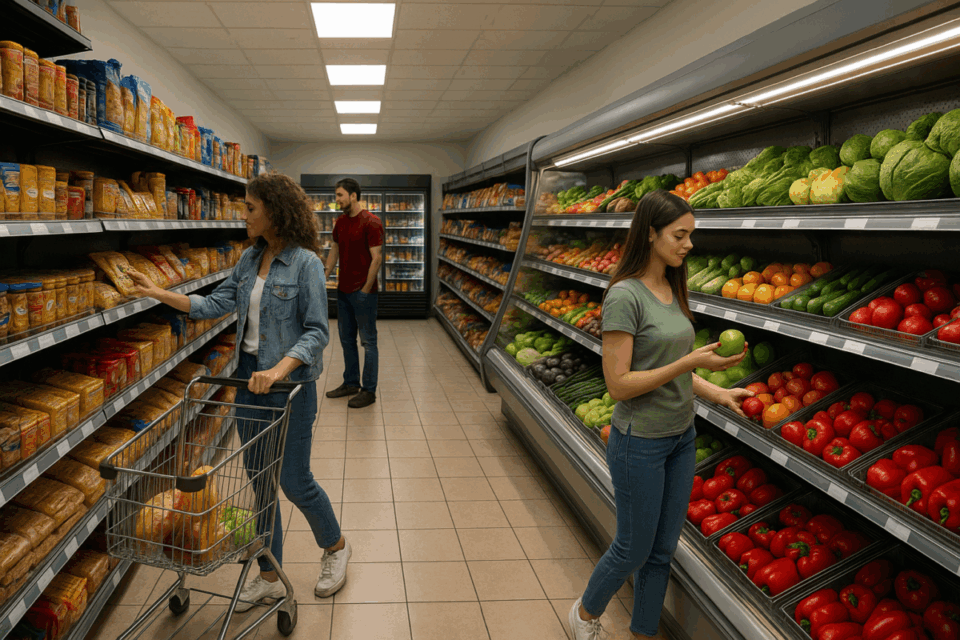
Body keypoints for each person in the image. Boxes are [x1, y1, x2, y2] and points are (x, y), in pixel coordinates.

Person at [128, 172, 351, 611]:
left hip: (290, 389)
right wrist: (159, 292)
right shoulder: (249, 261)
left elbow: (316, 332)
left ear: (275, 210)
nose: (243, 215)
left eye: (250, 208)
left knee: (294, 480)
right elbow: (214, 305)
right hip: (247, 384)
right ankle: (270, 574)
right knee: (259, 483)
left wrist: (279, 368)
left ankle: (336, 547)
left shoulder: (306, 263)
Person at [568, 191, 753, 640]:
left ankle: (644, 630)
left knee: (663, 549)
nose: (689, 244)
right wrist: (691, 364)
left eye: (691, 235)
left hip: (680, 436)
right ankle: (585, 616)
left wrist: (714, 391)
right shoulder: (624, 296)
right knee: (633, 547)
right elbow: (619, 384)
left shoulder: (672, 287)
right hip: (639, 442)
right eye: (680, 235)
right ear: (650, 234)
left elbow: (670, 367)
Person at [323, 178, 384, 409]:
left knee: (368, 342)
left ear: (353, 196)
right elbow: (335, 251)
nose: (336, 199)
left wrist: (365, 290)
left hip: (364, 292)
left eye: (340, 195)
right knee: (347, 340)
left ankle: (369, 390)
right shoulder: (340, 222)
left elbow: (377, 259)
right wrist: (324, 276)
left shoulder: (371, 222)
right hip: (343, 292)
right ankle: (350, 383)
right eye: (336, 195)